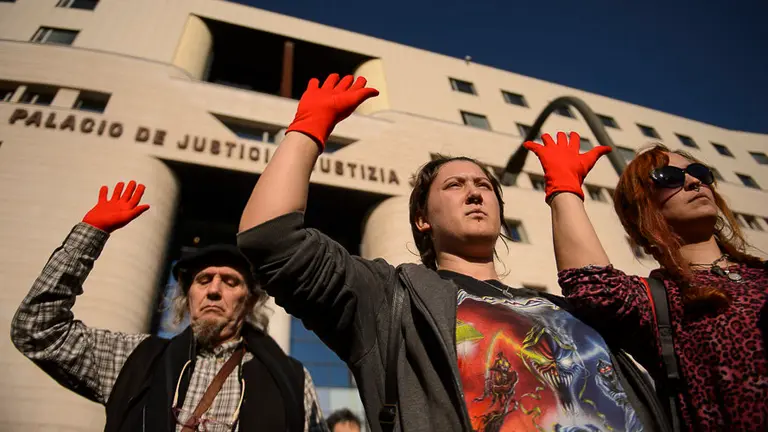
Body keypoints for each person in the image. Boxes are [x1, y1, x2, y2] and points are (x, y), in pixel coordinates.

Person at [236, 73, 672, 431]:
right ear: (423, 219)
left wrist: (564, 193)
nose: (475, 192)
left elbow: (604, 295)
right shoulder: (387, 300)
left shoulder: (564, 308)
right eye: (455, 185)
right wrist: (307, 130)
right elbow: (270, 238)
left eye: (484, 185)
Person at [11, 181, 327, 432]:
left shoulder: (293, 379)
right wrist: (90, 234)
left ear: (251, 300)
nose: (214, 290)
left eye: (230, 282)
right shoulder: (136, 359)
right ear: (187, 296)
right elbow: (37, 330)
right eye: (203, 281)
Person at [524, 131, 768, 430]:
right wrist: (564, 188)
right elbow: (593, 286)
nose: (694, 182)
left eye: (699, 173)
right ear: (641, 208)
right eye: (669, 177)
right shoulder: (659, 298)